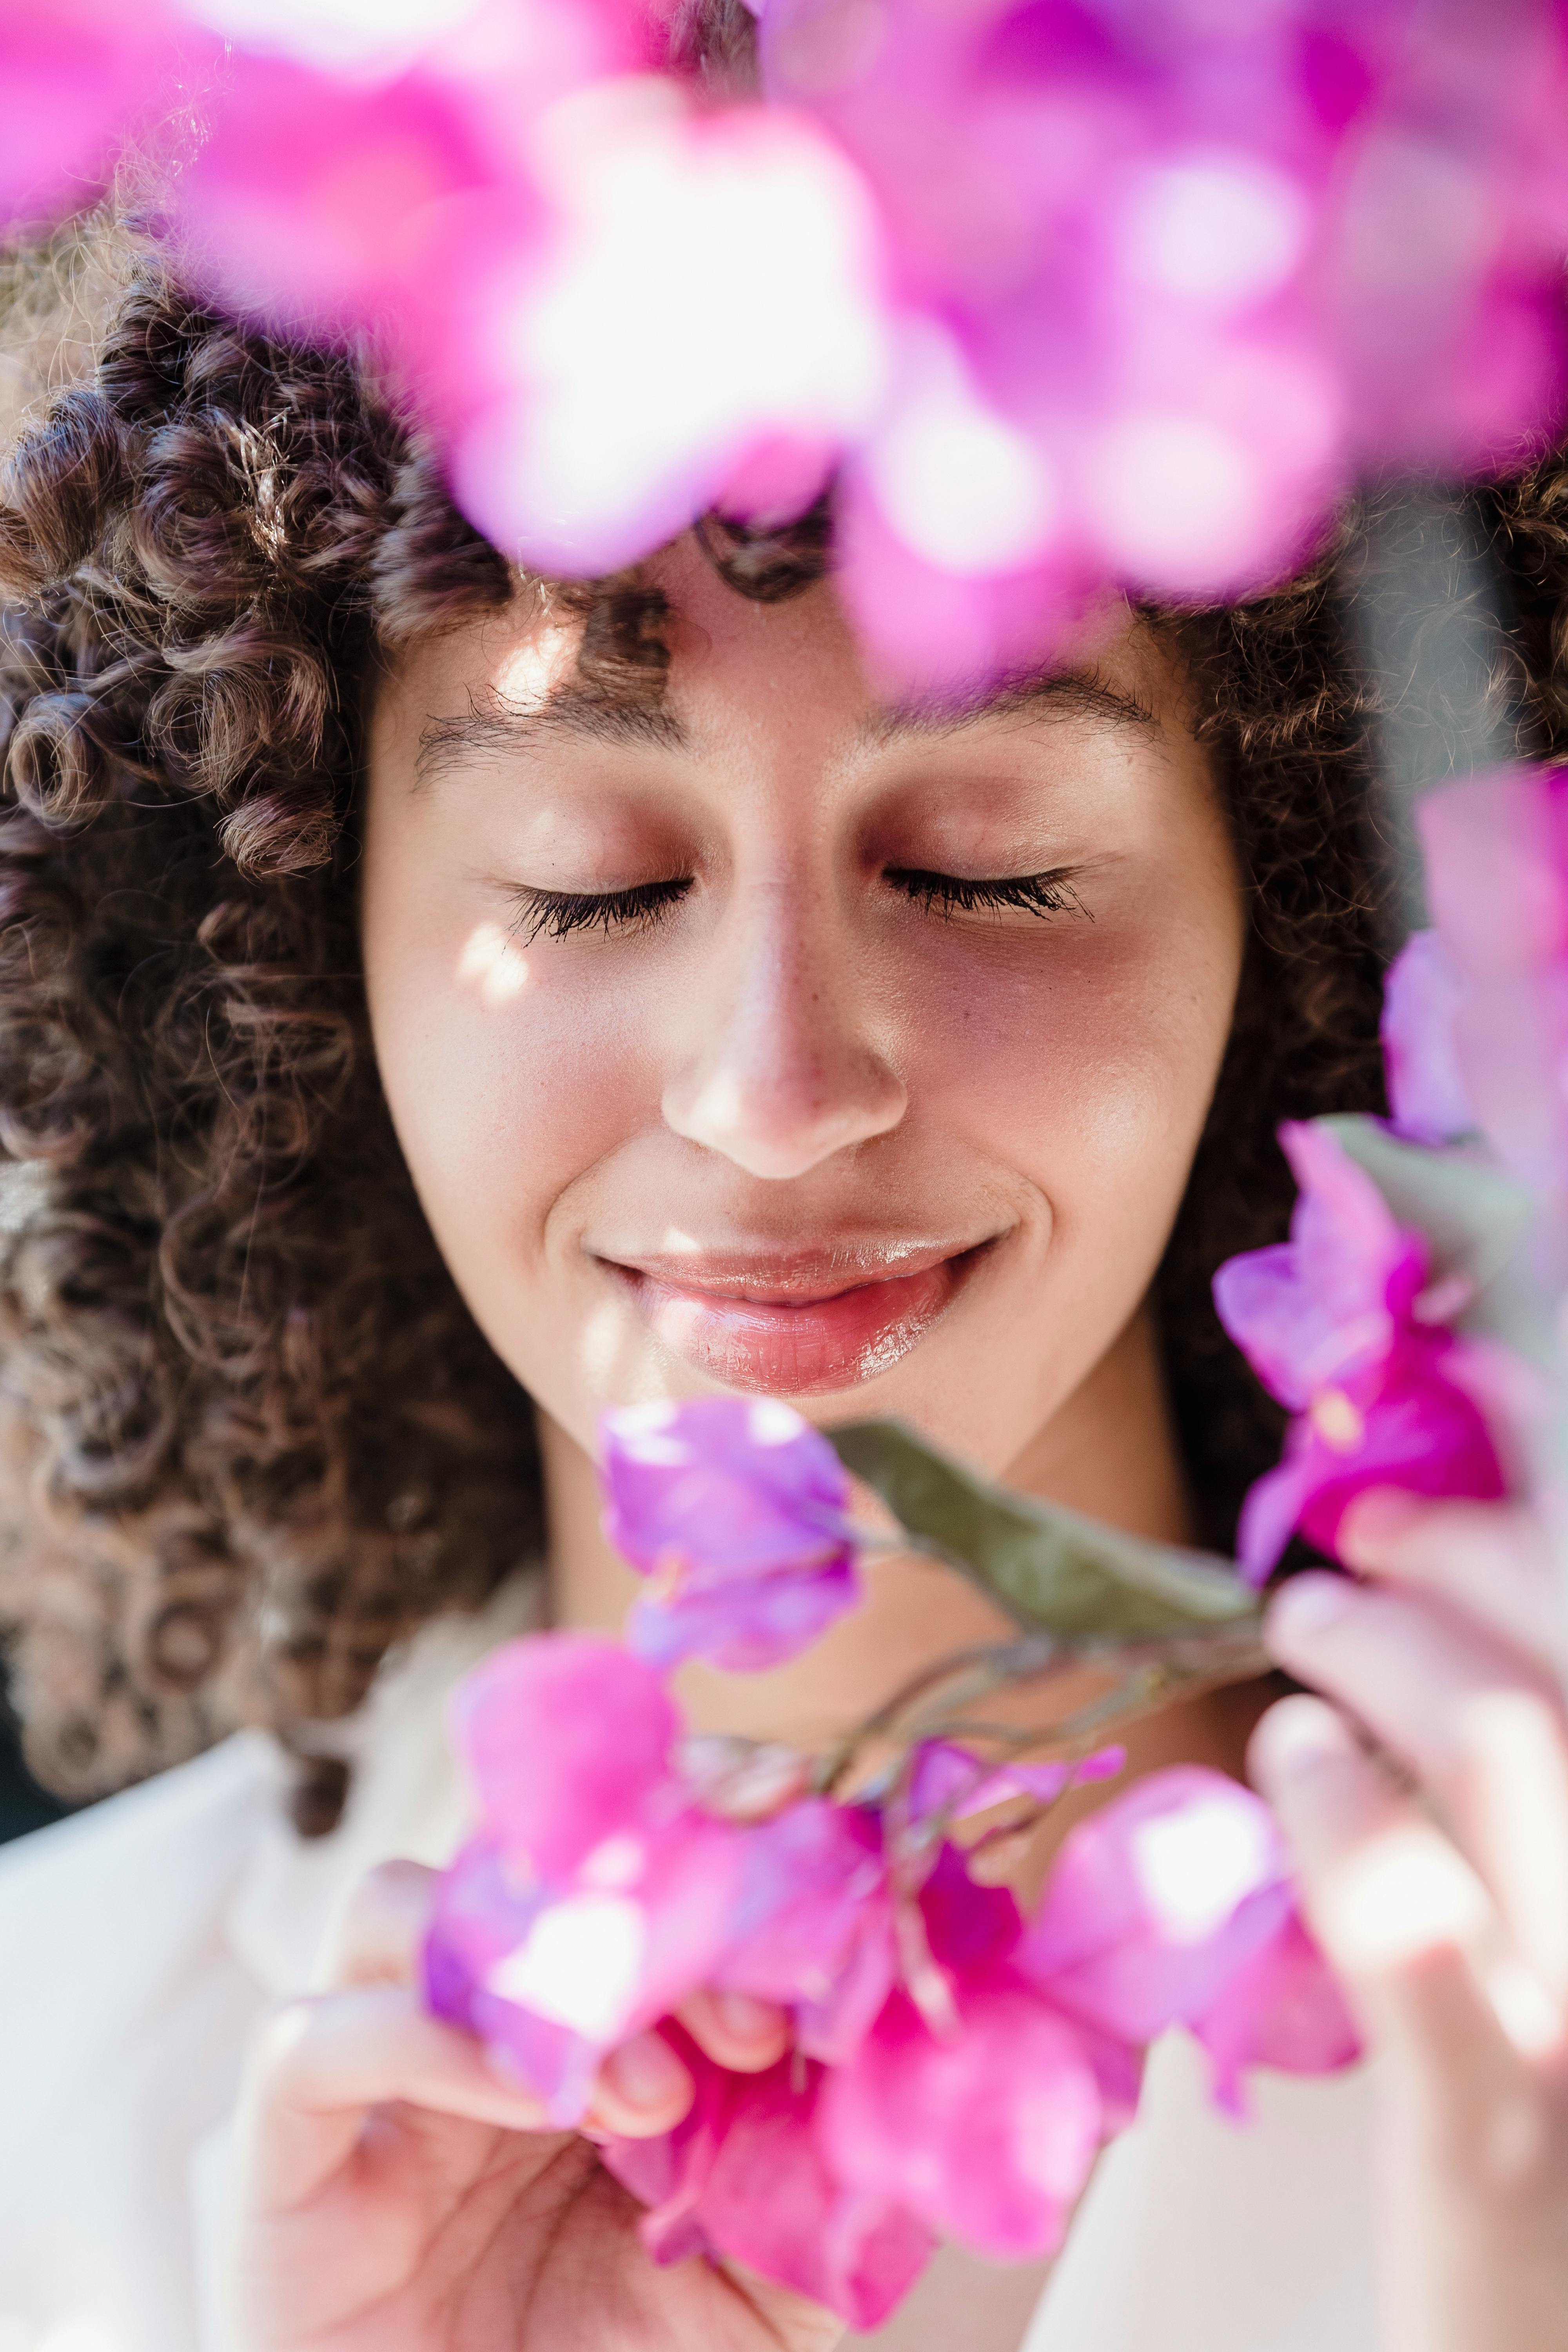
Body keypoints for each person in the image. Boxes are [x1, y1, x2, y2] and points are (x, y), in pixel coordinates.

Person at [0, 179, 1564, 2352]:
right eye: (586, 887)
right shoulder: (45, 2108)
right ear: (309, 939)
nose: (777, 1086)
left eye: (988, 872)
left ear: (1281, 889)